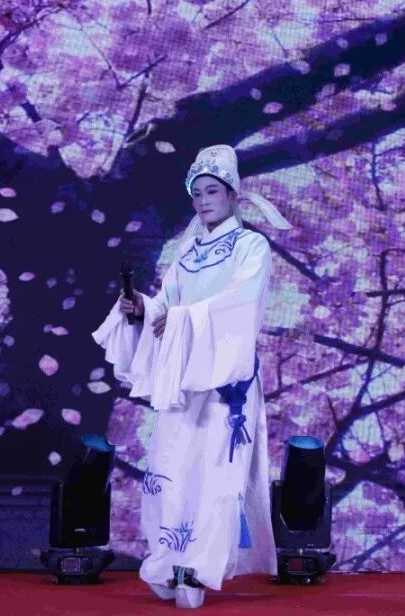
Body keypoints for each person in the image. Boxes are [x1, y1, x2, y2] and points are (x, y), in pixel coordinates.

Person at [92, 145, 291, 609]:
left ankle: (197, 569)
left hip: (224, 383)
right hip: (182, 380)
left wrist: (180, 320)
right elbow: (166, 305)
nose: (203, 201)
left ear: (233, 195)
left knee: (214, 476)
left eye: (212, 191)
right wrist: (141, 309)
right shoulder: (187, 252)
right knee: (169, 469)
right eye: (197, 193)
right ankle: (167, 560)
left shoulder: (251, 246)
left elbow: (240, 304)